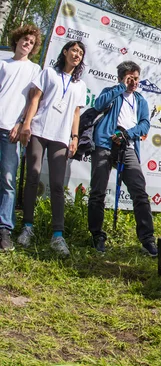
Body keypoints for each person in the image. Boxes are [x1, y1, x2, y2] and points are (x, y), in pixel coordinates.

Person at [18, 41, 87, 256]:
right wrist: (27, 124)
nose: (77, 55)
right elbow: (35, 98)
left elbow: (76, 113)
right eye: (74, 50)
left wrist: (74, 137)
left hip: (60, 137)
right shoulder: (49, 73)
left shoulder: (80, 85)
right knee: (33, 177)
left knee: (57, 185)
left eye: (81, 53)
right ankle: (27, 227)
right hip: (38, 130)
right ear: (65, 52)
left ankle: (58, 235)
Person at [87, 61, 156, 257]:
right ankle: (97, 235)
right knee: (98, 191)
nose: (134, 82)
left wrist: (128, 134)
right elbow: (98, 105)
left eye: (136, 78)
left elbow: (145, 125)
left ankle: (147, 239)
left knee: (139, 192)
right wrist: (120, 87)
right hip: (104, 144)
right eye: (129, 78)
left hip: (128, 146)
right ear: (122, 78)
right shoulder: (112, 92)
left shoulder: (141, 100)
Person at [0, 25, 41, 251]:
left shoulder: (35, 70)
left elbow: (32, 102)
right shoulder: (2, 63)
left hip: (11, 131)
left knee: (7, 180)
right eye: (25, 39)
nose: (28, 43)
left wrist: (20, 123)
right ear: (16, 40)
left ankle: (4, 229)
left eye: (32, 42)